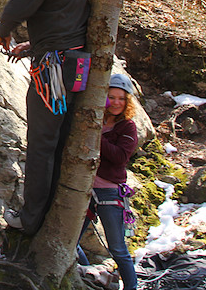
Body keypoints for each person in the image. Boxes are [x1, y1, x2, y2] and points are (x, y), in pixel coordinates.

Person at [0, 0, 93, 235]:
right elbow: (66, 18)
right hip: (75, 66)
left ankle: (30, 218)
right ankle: (51, 212)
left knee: (40, 144)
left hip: (54, 70)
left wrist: (3, 32)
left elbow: (16, 8)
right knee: (59, 140)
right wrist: (34, 45)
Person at [77, 72, 139, 290]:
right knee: (70, 242)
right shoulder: (94, 119)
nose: (116, 102)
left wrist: (95, 135)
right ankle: (89, 274)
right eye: (111, 97)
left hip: (110, 194)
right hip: (84, 189)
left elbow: (121, 157)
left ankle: (131, 287)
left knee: (118, 249)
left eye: (121, 98)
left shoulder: (127, 127)